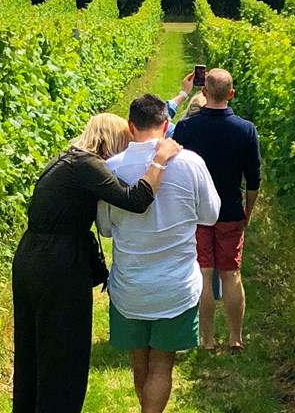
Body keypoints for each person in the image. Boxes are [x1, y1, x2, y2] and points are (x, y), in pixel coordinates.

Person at [12, 113, 183, 412]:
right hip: (59, 263)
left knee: (34, 350)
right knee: (65, 354)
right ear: (113, 140)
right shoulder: (87, 166)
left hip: (32, 256)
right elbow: (136, 200)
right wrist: (160, 159)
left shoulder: (66, 160)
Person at [97, 95, 220, 413]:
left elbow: (106, 229)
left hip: (130, 288)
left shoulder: (111, 168)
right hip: (176, 288)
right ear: (166, 125)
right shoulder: (191, 163)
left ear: (130, 126)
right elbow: (210, 216)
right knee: (162, 366)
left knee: (140, 362)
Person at [170, 68, 261, 353]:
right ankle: (235, 338)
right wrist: (248, 209)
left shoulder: (187, 128)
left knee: (203, 274)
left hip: (197, 212)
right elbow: (254, 179)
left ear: (204, 93)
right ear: (231, 94)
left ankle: (206, 340)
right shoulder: (245, 129)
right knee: (231, 274)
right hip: (230, 210)